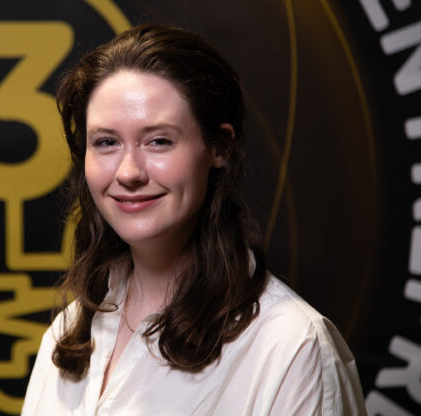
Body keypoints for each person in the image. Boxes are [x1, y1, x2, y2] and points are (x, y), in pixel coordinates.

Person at [21, 23, 367, 415]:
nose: (129, 172)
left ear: (219, 148)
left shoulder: (292, 350)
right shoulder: (68, 334)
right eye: (106, 142)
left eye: (159, 141)